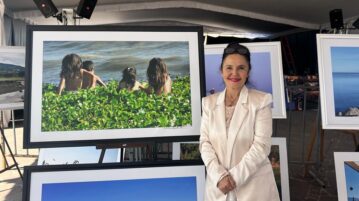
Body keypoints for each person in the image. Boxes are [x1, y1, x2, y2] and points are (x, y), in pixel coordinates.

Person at [199, 43, 280, 201]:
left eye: (241, 68)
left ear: (248, 72)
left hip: (253, 189)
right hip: (218, 187)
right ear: (221, 71)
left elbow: (261, 147)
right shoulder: (208, 103)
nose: (234, 73)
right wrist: (219, 176)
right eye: (229, 67)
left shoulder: (261, 101)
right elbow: (204, 143)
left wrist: (233, 178)